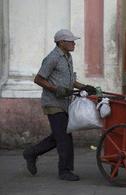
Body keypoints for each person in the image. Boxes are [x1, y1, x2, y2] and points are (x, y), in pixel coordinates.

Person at [23, 29, 96, 181]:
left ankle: (31, 153)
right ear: (61, 42)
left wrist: (84, 87)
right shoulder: (53, 58)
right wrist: (56, 89)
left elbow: (70, 81)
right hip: (53, 103)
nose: (74, 43)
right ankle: (64, 170)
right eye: (71, 41)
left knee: (58, 137)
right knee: (64, 138)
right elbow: (39, 79)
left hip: (65, 103)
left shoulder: (67, 57)